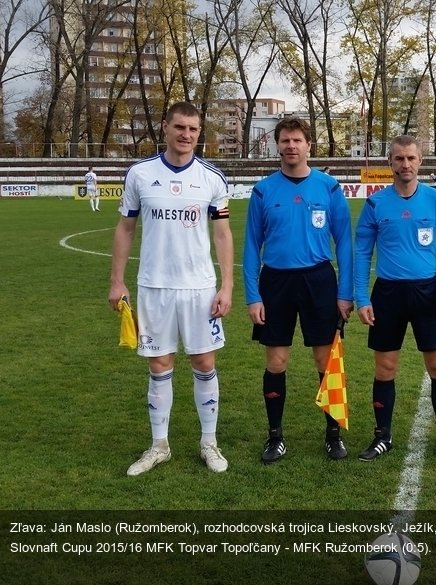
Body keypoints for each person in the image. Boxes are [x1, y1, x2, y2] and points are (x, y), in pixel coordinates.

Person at [109, 101, 234, 476]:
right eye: (180, 127)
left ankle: (208, 441)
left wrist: (226, 285)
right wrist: (116, 280)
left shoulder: (212, 178)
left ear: (199, 133)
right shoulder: (140, 175)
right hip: (154, 286)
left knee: (204, 362)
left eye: (193, 129)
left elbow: (223, 233)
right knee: (159, 365)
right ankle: (158, 445)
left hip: (199, 288)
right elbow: (125, 228)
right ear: (165, 127)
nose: (186, 135)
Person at [243, 117, 353, 463]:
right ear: (277, 145)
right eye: (285, 140)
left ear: (309, 145)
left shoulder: (329, 188)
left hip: (319, 281)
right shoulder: (263, 190)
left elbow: (345, 244)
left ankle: (333, 434)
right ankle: (275, 436)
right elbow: (250, 247)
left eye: (298, 140)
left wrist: (345, 292)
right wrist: (252, 295)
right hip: (275, 282)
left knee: (326, 359)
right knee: (276, 361)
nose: (291, 146)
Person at [354, 135, 436, 463]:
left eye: (411, 158)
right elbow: (362, 252)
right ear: (390, 162)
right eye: (399, 158)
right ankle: (382, 435)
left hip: (428, 292)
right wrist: (361, 296)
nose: (405, 164)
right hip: (387, 293)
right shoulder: (375, 204)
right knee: (385, 367)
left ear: (420, 161)